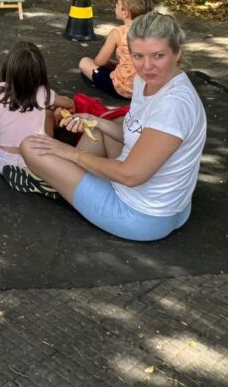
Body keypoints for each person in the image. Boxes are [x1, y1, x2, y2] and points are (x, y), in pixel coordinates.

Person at [21, 13, 207, 241]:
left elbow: (130, 176)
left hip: (140, 216)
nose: (147, 66)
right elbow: (133, 133)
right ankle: (71, 177)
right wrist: (94, 120)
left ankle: (63, 181)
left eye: (158, 55)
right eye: (138, 56)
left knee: (30, 146)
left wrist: (69, 153)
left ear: (177, 52)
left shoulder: (174, 105)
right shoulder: (148, 81)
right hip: (169, 206)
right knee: (100, 125)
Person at [0, 41, 74, 196]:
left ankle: (25, 176)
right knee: (49, 115)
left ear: (9, 68)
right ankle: (42, 175)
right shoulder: (43, 93)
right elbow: (69, 103)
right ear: (40, 72)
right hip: (36, 157)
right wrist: (53, 105)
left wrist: (6, 133)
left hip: (2, 158)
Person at [79, 0, 157, 100]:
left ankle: (103, 87)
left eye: (117, 5)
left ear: (125, 12)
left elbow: (99, 61)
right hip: (149, 89)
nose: (115, 7)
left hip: (124, 89)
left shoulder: (118, 33)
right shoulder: (156, 31)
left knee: (85, 62)